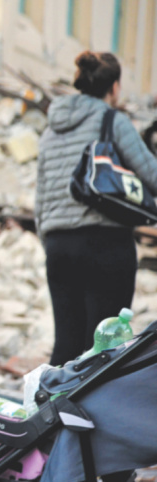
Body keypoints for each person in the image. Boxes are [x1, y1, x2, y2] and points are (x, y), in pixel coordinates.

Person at [35, 51, 157, 366]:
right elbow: (149, 172)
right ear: (114, 87)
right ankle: (95, 415)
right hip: (105, 245)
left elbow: (41, 198)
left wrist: (50, 241)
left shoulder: (50, 131)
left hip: (58, 247)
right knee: (104, 350)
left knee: (66, 348)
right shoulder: (112, 119)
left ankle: (51, 413)